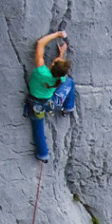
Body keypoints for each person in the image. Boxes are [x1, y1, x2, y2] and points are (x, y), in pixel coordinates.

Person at [25, 29, 75, 162]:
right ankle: (68, 107)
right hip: (52, 104)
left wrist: (57, 35)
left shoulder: (41, 72)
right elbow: (59, 70)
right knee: (71, 82)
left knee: (38, 128)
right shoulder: (61, 78)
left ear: (52, 65)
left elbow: (40, 43)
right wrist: (62, 53)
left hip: (36, 105)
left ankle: (43, 154)